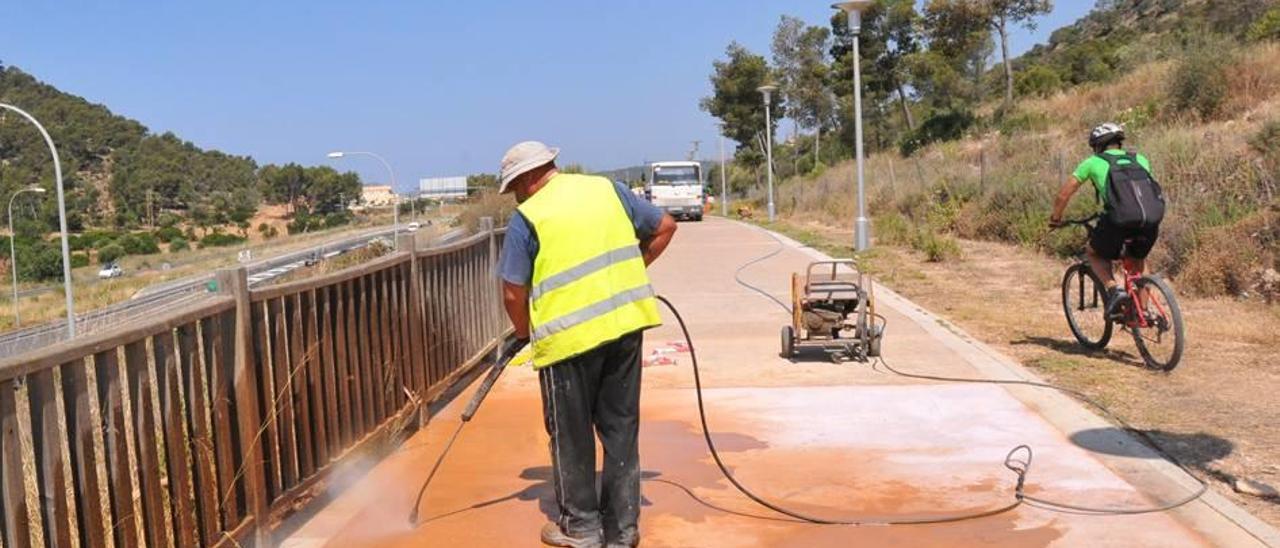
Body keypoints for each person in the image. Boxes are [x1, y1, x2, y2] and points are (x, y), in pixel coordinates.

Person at [496, 141, 677, 548]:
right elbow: (665, 227)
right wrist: (627, 271)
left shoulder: (529, 217)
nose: (517, 196)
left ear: (527, 177)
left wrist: (525, 334)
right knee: (620, 430)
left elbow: (512, 291)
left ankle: (581, 529)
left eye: (515, 187)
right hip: (625, 326)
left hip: (567, 340)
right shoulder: (606, 189)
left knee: (571, 434)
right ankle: (622, 531)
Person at [1050, 123, 1161, 316]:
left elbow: (1063, 195)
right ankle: (1143, 313)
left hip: (1119, 219)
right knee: (1138, 259)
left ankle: (1113, 289)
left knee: (1094, 253)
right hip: (1151, 218)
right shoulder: (1140, 159)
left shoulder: (1093, 162)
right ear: (1119, 142)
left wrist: (1055, 218)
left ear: (1097, 146)